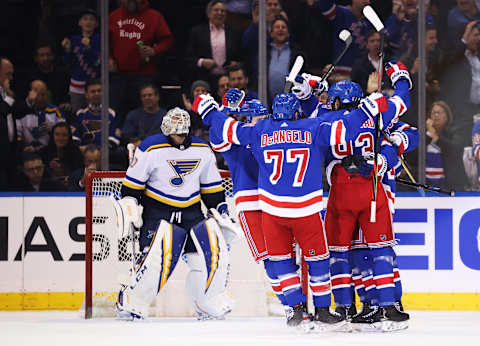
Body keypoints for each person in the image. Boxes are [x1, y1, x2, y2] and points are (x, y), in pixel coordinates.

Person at [193, 73, 403, 330]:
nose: (258, 118)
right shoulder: (310, 127)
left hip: (270, 206)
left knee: (282, 259)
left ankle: (295, 308)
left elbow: (224, 130)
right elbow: (344, 128)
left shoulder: (257, 131)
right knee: (314, 259)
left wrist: (210, 110)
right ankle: (318, 308)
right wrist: (368, 109)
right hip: (303, 207)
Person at [290, 61, 413, 330]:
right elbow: (402, 101)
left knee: (338, 254)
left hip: (340, 193)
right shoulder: (374, 113)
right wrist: (401, 77)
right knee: (381, 250)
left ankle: (344, 307)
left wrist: (309, 93)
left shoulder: (324, 118)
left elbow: (305, 117)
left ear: (334, 102)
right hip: (372, 189)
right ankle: (388, 307)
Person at [115, 106, 237, 320]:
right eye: (175, 133)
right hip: (158, 213)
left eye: (182, 133)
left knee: (203, 262)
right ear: (166, 130)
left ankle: (205, 304)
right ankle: (130, 303)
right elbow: (132, 185)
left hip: (191, 213)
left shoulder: (202, 149)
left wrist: (221, 209)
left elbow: (212, 188)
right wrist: (130, 204)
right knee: (153, 263)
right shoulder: (151, 148)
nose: (179, 137)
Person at [209, 92, 291, 314]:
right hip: (251, 203)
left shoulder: (275, 134)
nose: (262, 120)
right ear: (244, 120)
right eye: (257, 117)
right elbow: (216, 137)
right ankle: (289, 305)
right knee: (268, 258)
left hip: (277, 200)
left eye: (264, 116)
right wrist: (225, 110)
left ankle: (297, 301)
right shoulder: (237, 141)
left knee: (287, 254)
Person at [109, 0, 174, 124]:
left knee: (146, 111)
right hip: (119, 74)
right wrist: (108, 58)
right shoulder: (113, 16)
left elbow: (168, 40)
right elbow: (104, 40)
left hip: (145, 74)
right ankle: (115, 139)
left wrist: (154, 50)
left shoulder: (154, 16)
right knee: (115, 110)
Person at [185, 0, 243, 88]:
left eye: (223, 11)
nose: (220, 13)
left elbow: (241, 56)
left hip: (228, 80)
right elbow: (188, 58)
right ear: (208, 13)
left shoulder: (234, 32)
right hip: (205, 79)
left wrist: (235, 64)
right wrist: (202, 62)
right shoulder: (197, 32)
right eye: (216, 10)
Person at [317, 0, 373, 78]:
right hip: (341, 72)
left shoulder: (369, 21)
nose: (367, 1)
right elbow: (324, 5)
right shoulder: (341, 13)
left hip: (362, 73)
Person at [61, 8, 101, 114]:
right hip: (76, 86)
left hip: (93, 86)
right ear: (80, 22)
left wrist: (89, 49)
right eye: (85, 19)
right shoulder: (74, 39)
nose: (88, 22)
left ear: (96, 24)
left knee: (94, 113)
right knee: (76, 114)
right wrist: (68, 50)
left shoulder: (99, 39)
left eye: (92, 19)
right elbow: (68, 63)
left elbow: (97, 62)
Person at [426, 100, 468, 190]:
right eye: (433, 113)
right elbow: (413, 157)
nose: (436, 115)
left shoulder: (455, 131)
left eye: (439, 113)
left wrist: (436, 138)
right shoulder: (425, 135)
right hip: (425, 185)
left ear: (447, 116)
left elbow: (455, 150)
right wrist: (429, 135)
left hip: (449, 186)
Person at [15, 80, 65, 152]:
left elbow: (65, 132)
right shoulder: (21, 112)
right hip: (26, 152)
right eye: (39, 94)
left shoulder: (55, 110)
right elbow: (17, 135)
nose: (42, 98)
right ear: (30, 94)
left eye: (44, 94)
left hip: (49, 151)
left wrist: (53, 130)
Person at [72, 79, 119, 149]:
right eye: (93, 92)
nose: (96, 94)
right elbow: (75, 138)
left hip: (107, 154)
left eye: (99, 91)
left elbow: (114, 138)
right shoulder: (80, 114)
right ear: (86, 95)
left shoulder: (112, 114)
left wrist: (100, 150)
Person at [38, 122, 83, 189]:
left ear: (69, 136)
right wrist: (49, 167)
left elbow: (79, 172)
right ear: (52, 135)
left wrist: (64, 169)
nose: (60, 138)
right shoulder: (44, 152)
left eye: (64, 135)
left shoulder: (76, 152)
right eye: (57, 134)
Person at [0, 57, 18, 191]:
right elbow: (2, 111)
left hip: (9, 152)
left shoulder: (6, 92)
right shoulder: (8, 96)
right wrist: (9, 98)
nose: (11, 78)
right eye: (8, 74)